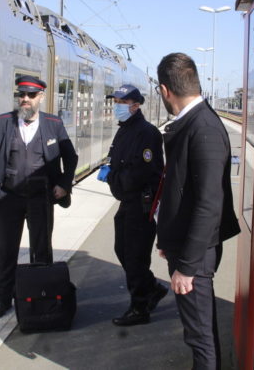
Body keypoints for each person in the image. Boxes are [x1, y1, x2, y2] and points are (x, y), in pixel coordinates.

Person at [0, 75, 78, 318]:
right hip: (10, 198)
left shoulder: (53, 124)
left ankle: (42, 294)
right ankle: (3, 297)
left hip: (41, 197)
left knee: (41, 250)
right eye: (21, 95)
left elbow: (71, 158)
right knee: (6, 251)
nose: (25, 99)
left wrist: (64, 185)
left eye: (30, 95)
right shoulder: (3, 122)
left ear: (41, 96)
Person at [154, 53, 241, 369]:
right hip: (187, 246)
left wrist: (187, 266)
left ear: (165, 91)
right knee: (199, 330)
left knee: (200, 335)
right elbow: (182, 190)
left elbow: (208, 204)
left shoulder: (203, 128)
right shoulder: (193, 122)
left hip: (196, 255)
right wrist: (170, 239)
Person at [103, 84, 167, 326]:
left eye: (121, 103)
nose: (117, 107)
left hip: (141, 204)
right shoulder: (125, 129)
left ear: (136, 105)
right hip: (128, 203)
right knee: (123, 250)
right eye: (116, 102)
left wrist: (112, 178)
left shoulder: (146, 132)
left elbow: (142, 172)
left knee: (135, 256)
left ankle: (140, 307)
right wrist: (110, 171)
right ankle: (152, 289)